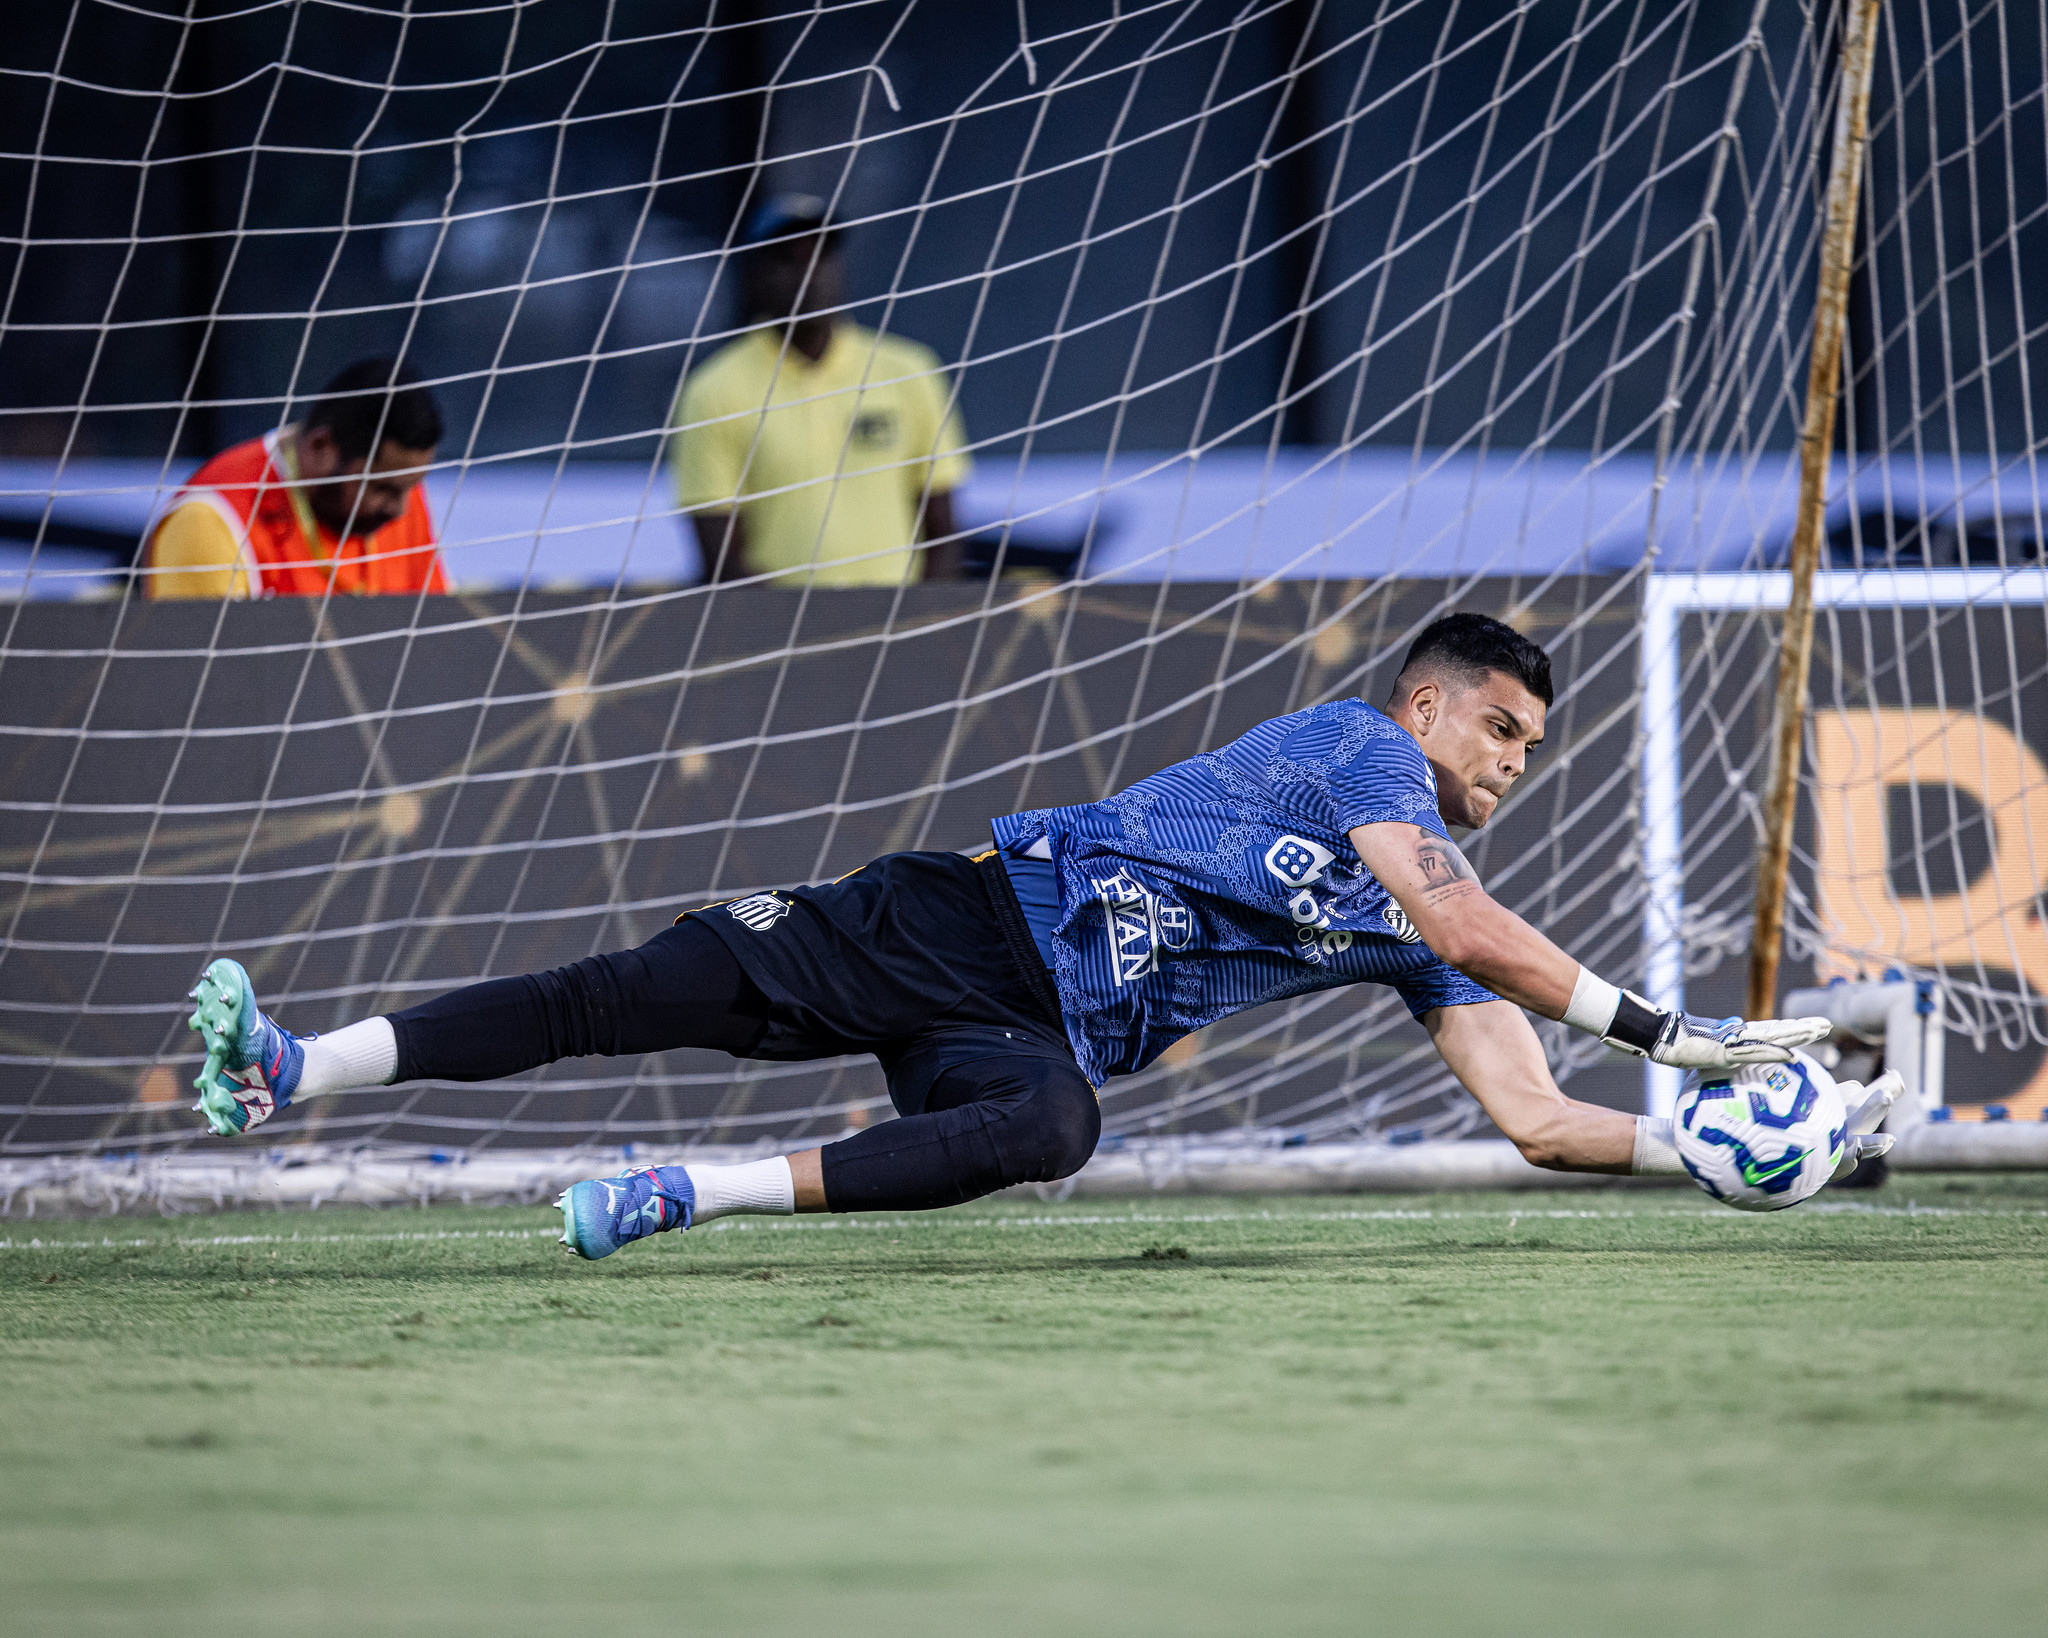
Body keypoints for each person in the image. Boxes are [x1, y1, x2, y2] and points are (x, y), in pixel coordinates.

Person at [181, 613, 1893, 1254]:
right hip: (962, 913)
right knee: (621, 990)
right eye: (1502, 732)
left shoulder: (1429, 930)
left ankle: (673, 1195)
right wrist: (1682, 1040)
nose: (1511, 767)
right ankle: (291, 1064)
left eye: (1530, 751)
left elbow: (1529, 1117)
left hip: (1031, 1027)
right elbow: (1468, 918)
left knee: (1051, 1125)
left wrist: (1713, 1149)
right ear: (1429, 706)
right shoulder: (1361, 750)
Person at [669, 193, 972, 587]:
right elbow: (721, 558)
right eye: (788, 259)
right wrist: (802, 629)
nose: (808, 273)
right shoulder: (713, 390)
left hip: (896, 629)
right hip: (782, 635)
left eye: (821, 256)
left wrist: (916, 626)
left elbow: (945, 532)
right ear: (754, 276)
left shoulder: (910, 371)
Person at [144, 358, 445, 600]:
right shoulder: (212, 521)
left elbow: (431, 647)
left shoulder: (401, 490)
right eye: (381, 488)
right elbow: (198, 674)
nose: (400, 509)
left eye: (411, 486)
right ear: (320, 447)